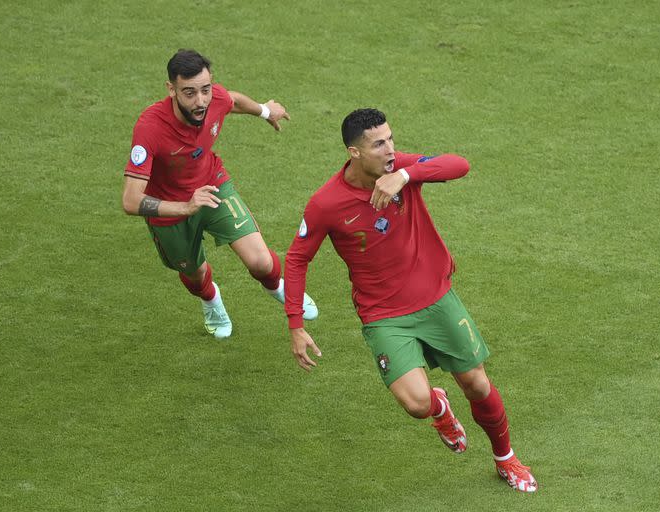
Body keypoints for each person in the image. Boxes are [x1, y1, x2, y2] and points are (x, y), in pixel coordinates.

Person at [283, 108, 537, 492]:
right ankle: (439, 408)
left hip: (436, 298)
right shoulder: (326, 204)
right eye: (379, 144)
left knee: (478, 386)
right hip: (384, 316)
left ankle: (506, 458)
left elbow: (460, 165)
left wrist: (405, 174)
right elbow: (298, 258)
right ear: (354, 152)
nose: (390, 149)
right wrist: (296, 324)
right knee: (417, 404)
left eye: (391, 139)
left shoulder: (400, 169)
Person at [122, 49, 317, 339]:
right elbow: (131, 200)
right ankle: (211, 300)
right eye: (189, 93)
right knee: (195, 275)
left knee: (261, 263)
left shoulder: (215, 99)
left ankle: (279, 287)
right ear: (171, 90)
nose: (200, 101)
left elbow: (233, 100)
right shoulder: (150, 128)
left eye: (205, 89)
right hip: (172, 210)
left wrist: (265, 111)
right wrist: (186, 207)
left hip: (212, 186)